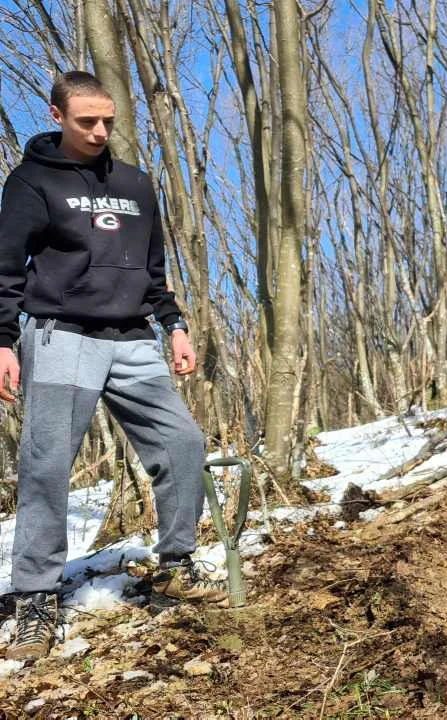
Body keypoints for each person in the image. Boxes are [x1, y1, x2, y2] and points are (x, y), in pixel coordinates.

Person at [0, 71, 227, 662]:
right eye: (86, 121)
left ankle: (176, 561)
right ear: (56, 115)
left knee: (182, 443)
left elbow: (152, 268)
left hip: (132, 337)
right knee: (47, 465)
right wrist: (2, 340)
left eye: (108, 121)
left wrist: (173, 323)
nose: (100, 131)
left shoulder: (135, 184)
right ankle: (34, 599)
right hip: (59, 335)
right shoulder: (30, 182)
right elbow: (5, 266)